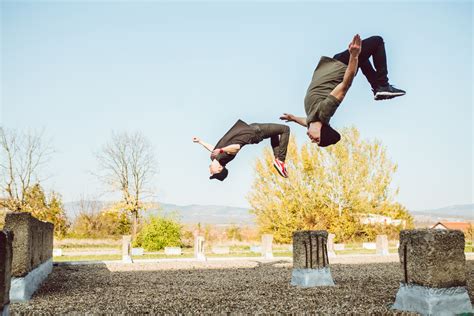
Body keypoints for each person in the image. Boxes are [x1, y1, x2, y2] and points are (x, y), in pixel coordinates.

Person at [281, 34, 406, 147]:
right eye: (317, 139)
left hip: (333, 64)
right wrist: (354, 56)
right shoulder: (325, 111)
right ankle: (383, 84)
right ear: (322, 132)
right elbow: (346, 84)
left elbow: (304, 121)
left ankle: (378, 88)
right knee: (377, 41)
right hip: (341, 67)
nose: (312, 140)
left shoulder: (311, 119)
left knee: (362, 59)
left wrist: (293, 118)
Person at [193, 119, 290, 181]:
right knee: (285, 129)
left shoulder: (214, 157)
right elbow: (236, 147)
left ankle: (277, 159)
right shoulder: (224, 158)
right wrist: (222, 150)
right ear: (219, 169)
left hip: (251, 129)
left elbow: (212, 148)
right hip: (255, 133)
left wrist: (200, 142)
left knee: (274, 134)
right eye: (213, 173)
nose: (211, 172)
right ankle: (280, 160)